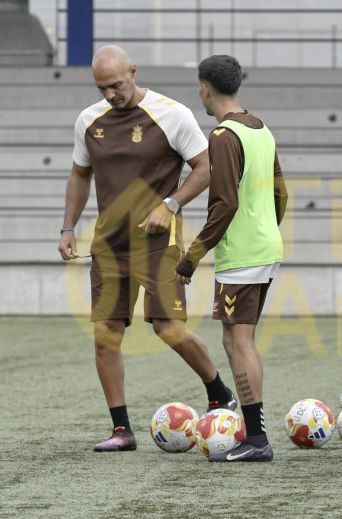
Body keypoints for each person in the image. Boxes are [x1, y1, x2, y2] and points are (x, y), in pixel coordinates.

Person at [57, 45, 236, 452]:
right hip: (108, 245)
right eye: (102, 88)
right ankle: (122, 430)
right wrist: (68, 227)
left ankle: (218, 391)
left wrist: (170, 204)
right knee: (106, 334)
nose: (110, 95)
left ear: (133, 72)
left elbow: (206, 168)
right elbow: (79, 175)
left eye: (116, 85)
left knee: (167, 327)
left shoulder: (171, 114)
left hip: (158, 244)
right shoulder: (89, 121)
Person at [174, 55, 287, 462]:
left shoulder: (222, 135)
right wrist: (267, 230)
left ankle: (256, 439)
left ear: (205, 88)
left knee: (238, 341)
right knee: (237, 337)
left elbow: (223, 204)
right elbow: (281, 193)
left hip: (241, 254)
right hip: (264, 247)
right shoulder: (261, 127)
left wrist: (191, 257)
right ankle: (254, 435)